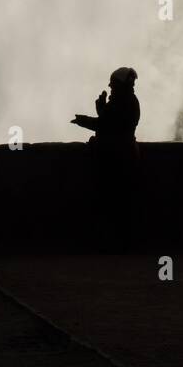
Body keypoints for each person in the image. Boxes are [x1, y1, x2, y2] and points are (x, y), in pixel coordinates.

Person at [72, 67, 140, 248]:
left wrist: (83, 120)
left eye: (113, 86)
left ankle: (113, 243)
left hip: (115, 159)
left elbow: (107, 126)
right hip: (123, 156)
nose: (111, 88)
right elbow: (111, 123)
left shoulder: (121, 103)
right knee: (119, 201)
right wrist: (102, 108)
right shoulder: (127, 101)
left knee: (112, 201)